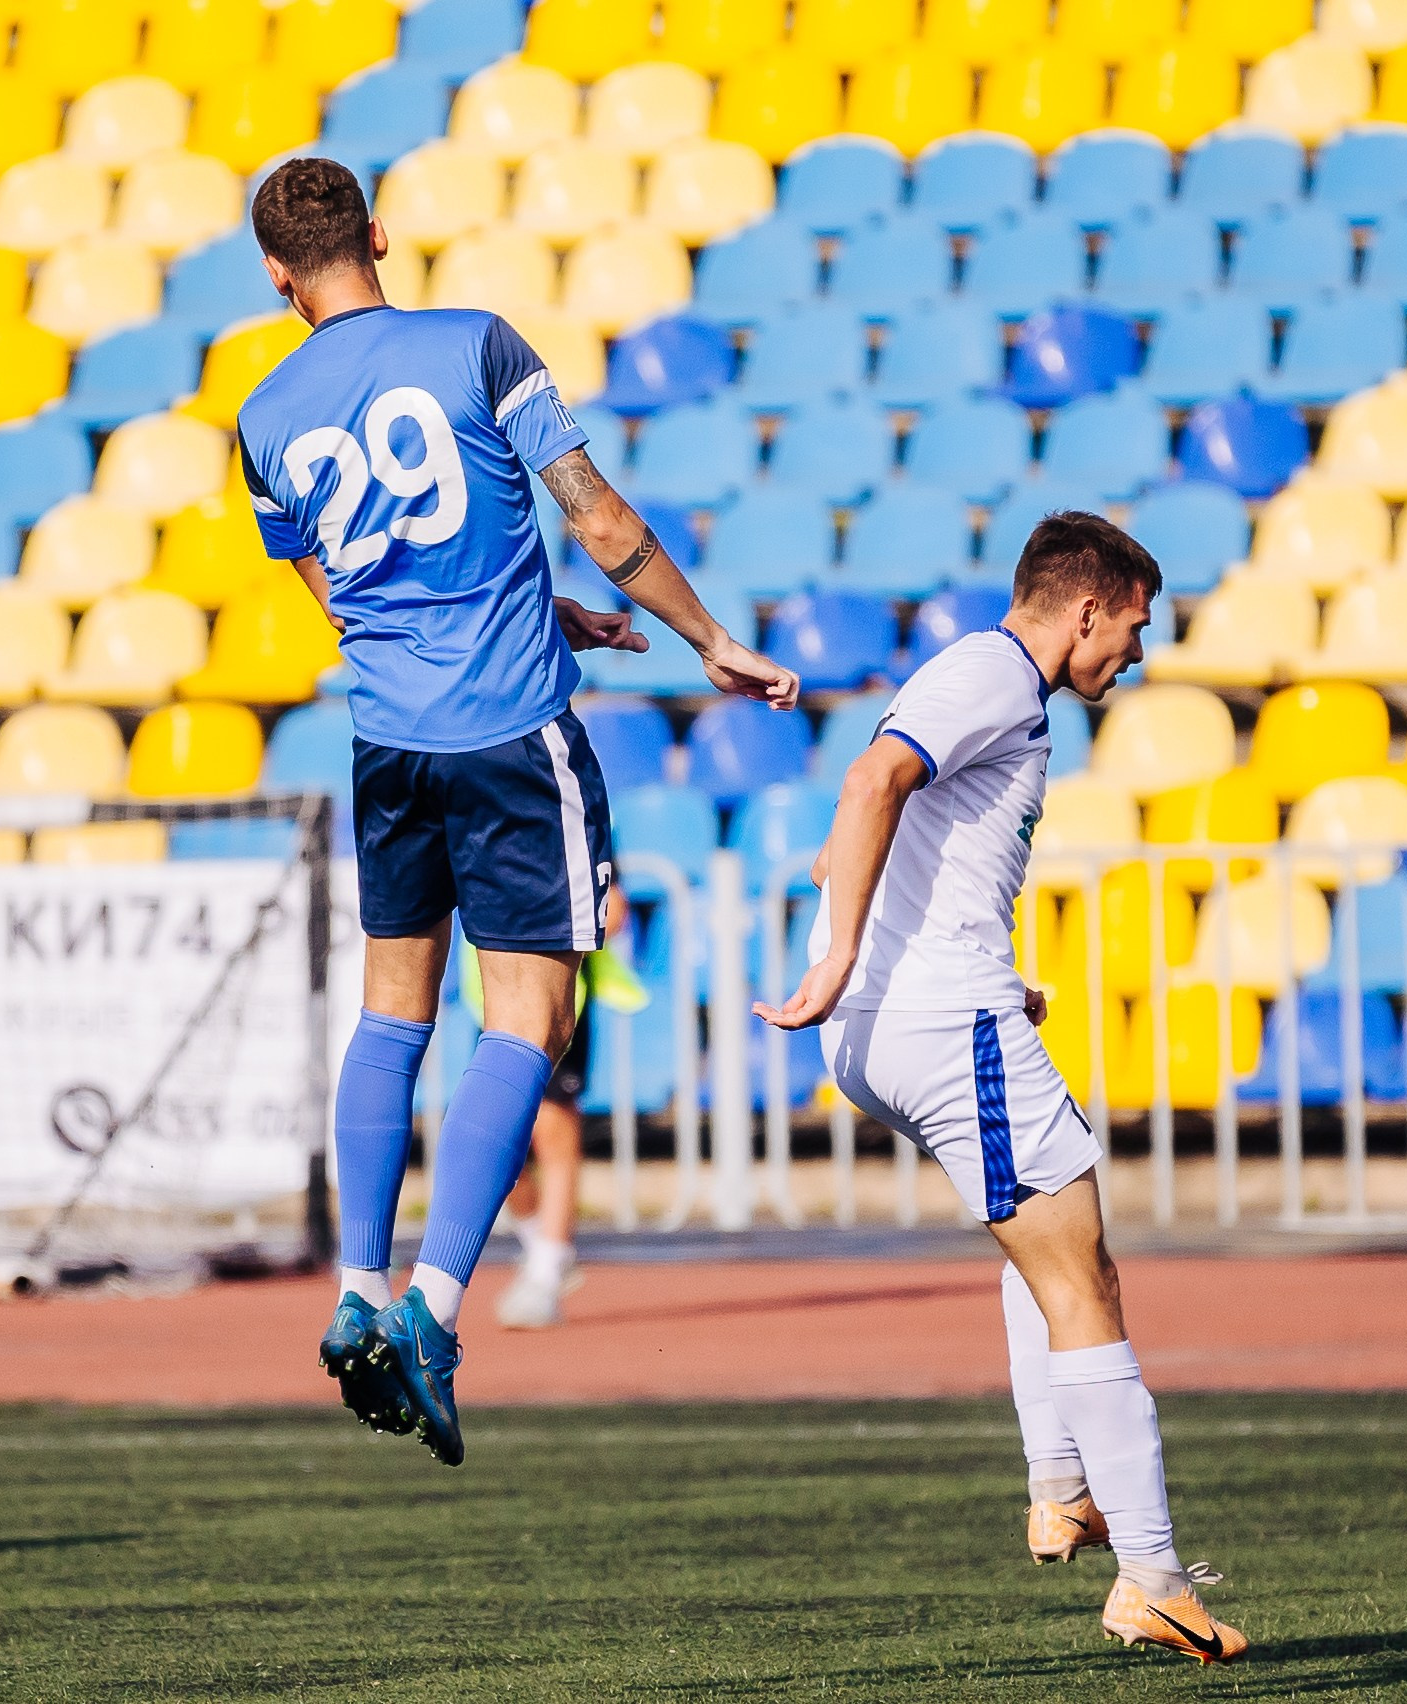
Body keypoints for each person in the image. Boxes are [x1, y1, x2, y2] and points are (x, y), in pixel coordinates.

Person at [238, 158, 799, 1467]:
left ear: (276, 275)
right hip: (508, 736)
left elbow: (357, 595)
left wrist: (548, 613)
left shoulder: (264, 416)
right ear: (378, 234)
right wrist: (705, 636)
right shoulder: (473, 343)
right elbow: (595, 517)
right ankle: (433, 1311)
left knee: (391, 1014)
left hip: (387, 744)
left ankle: (358, 1295)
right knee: (531, 1023)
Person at [755, 512, 1247, 1665]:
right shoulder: (994, 675)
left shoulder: (979, 683)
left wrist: (965, 973)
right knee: (1082, 1276)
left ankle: (1063, 1488)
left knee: (1054, 1243)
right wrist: (845, 967)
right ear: (1086, 607)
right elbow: (875, 779)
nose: (1134, 654)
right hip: (934, 1019)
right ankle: (1152, 1576)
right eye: (1132, 626)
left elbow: (865, 827)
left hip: (927, 1014)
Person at [493, 883, 632, 1331]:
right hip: (497, 1004)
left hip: (558, 996)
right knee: (497, 1140)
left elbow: (613, 912)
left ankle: (548, 1267)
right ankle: (542, 1247)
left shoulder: (578, 817)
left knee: (553, 1128)